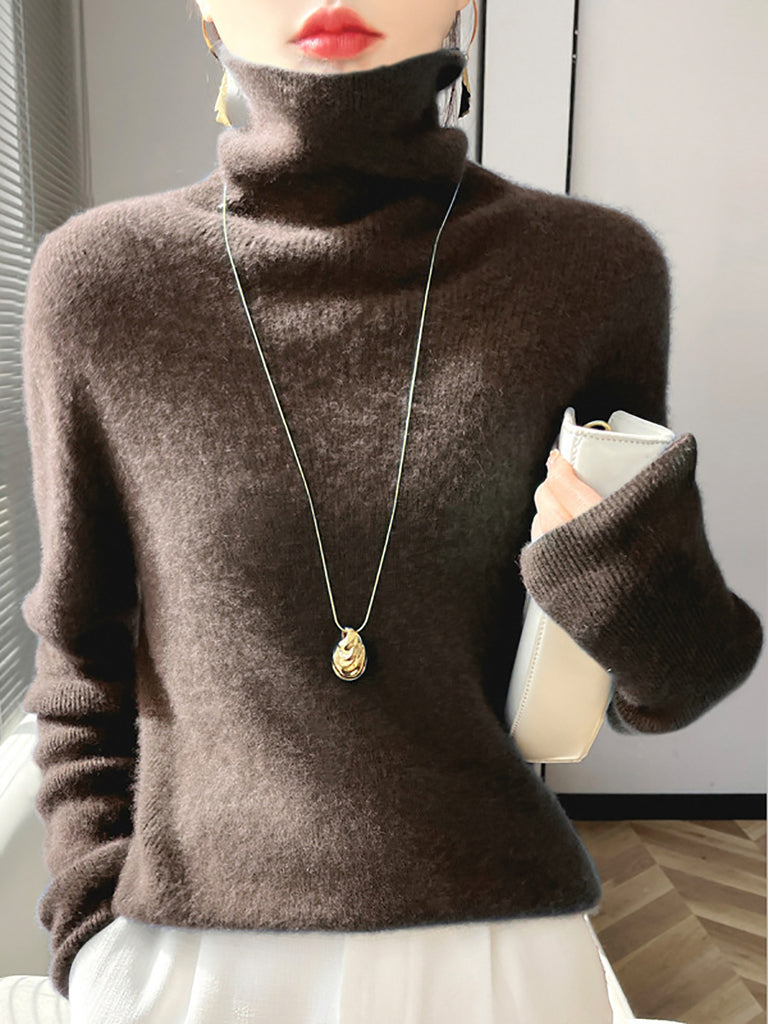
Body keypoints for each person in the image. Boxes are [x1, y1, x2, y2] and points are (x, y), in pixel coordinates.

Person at [18, 1, 763, 1022]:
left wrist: (613, 571)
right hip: (189, 963)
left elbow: (674, 679)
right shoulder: (101, 286)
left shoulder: (593, 272)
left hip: (497, 958)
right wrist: (90, 929)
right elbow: (80, 657)